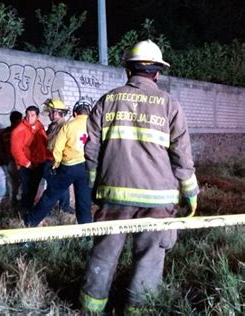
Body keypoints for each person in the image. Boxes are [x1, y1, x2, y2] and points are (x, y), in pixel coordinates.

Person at [80, 40, 199, 314]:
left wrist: (95, 186)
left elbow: (92, 149)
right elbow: (182, 155)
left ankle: (90, 309)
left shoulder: (108, 100)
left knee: (104, 254)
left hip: (114, 195)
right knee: (149, 259)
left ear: (127, 71)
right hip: (158, 200)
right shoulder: (170, 105)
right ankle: (138, 310)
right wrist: (190, 194)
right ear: (157, 73)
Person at [23, 99, 94, 227]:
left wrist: (55, 166)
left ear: (75, 113)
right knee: (84, 201)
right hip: (85, 168)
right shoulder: (94, 126)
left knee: (50, 196)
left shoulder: (68, 126)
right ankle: (87, 232)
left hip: (67, 168)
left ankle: (30, 222)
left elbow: (57, 149)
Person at [10, 105, 50, 212]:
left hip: (38, 164)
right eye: (27, 115)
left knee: (34, 188)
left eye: (32, 115)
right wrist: (27, 163)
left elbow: (44, 144)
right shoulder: (19, 130)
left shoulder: (39, 127)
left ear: (37, 116)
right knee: (27, 189)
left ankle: (29, 208)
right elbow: (15, 150)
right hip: (26, 166)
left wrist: (47, 157)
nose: (29, 118)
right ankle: (24, 211)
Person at [44, 98, 73, 213]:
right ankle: (63, 207)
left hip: (56, 160)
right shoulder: (53, 126)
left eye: (50, 112)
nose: (48, 115)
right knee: (59, 184)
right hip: (50, 159)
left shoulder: (63, 126)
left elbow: (55, 145)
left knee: (56, 185)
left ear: (56, 113)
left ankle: (62, 207)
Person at [0, 111, 23, 207]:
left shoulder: (3, 132)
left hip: (10, 163)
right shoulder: (20, 132)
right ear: (19, 120)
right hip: (19, 163)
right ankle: (20, 206)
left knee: (12, 185)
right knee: (22, 184)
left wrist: (6, 159)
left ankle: (12, 205)